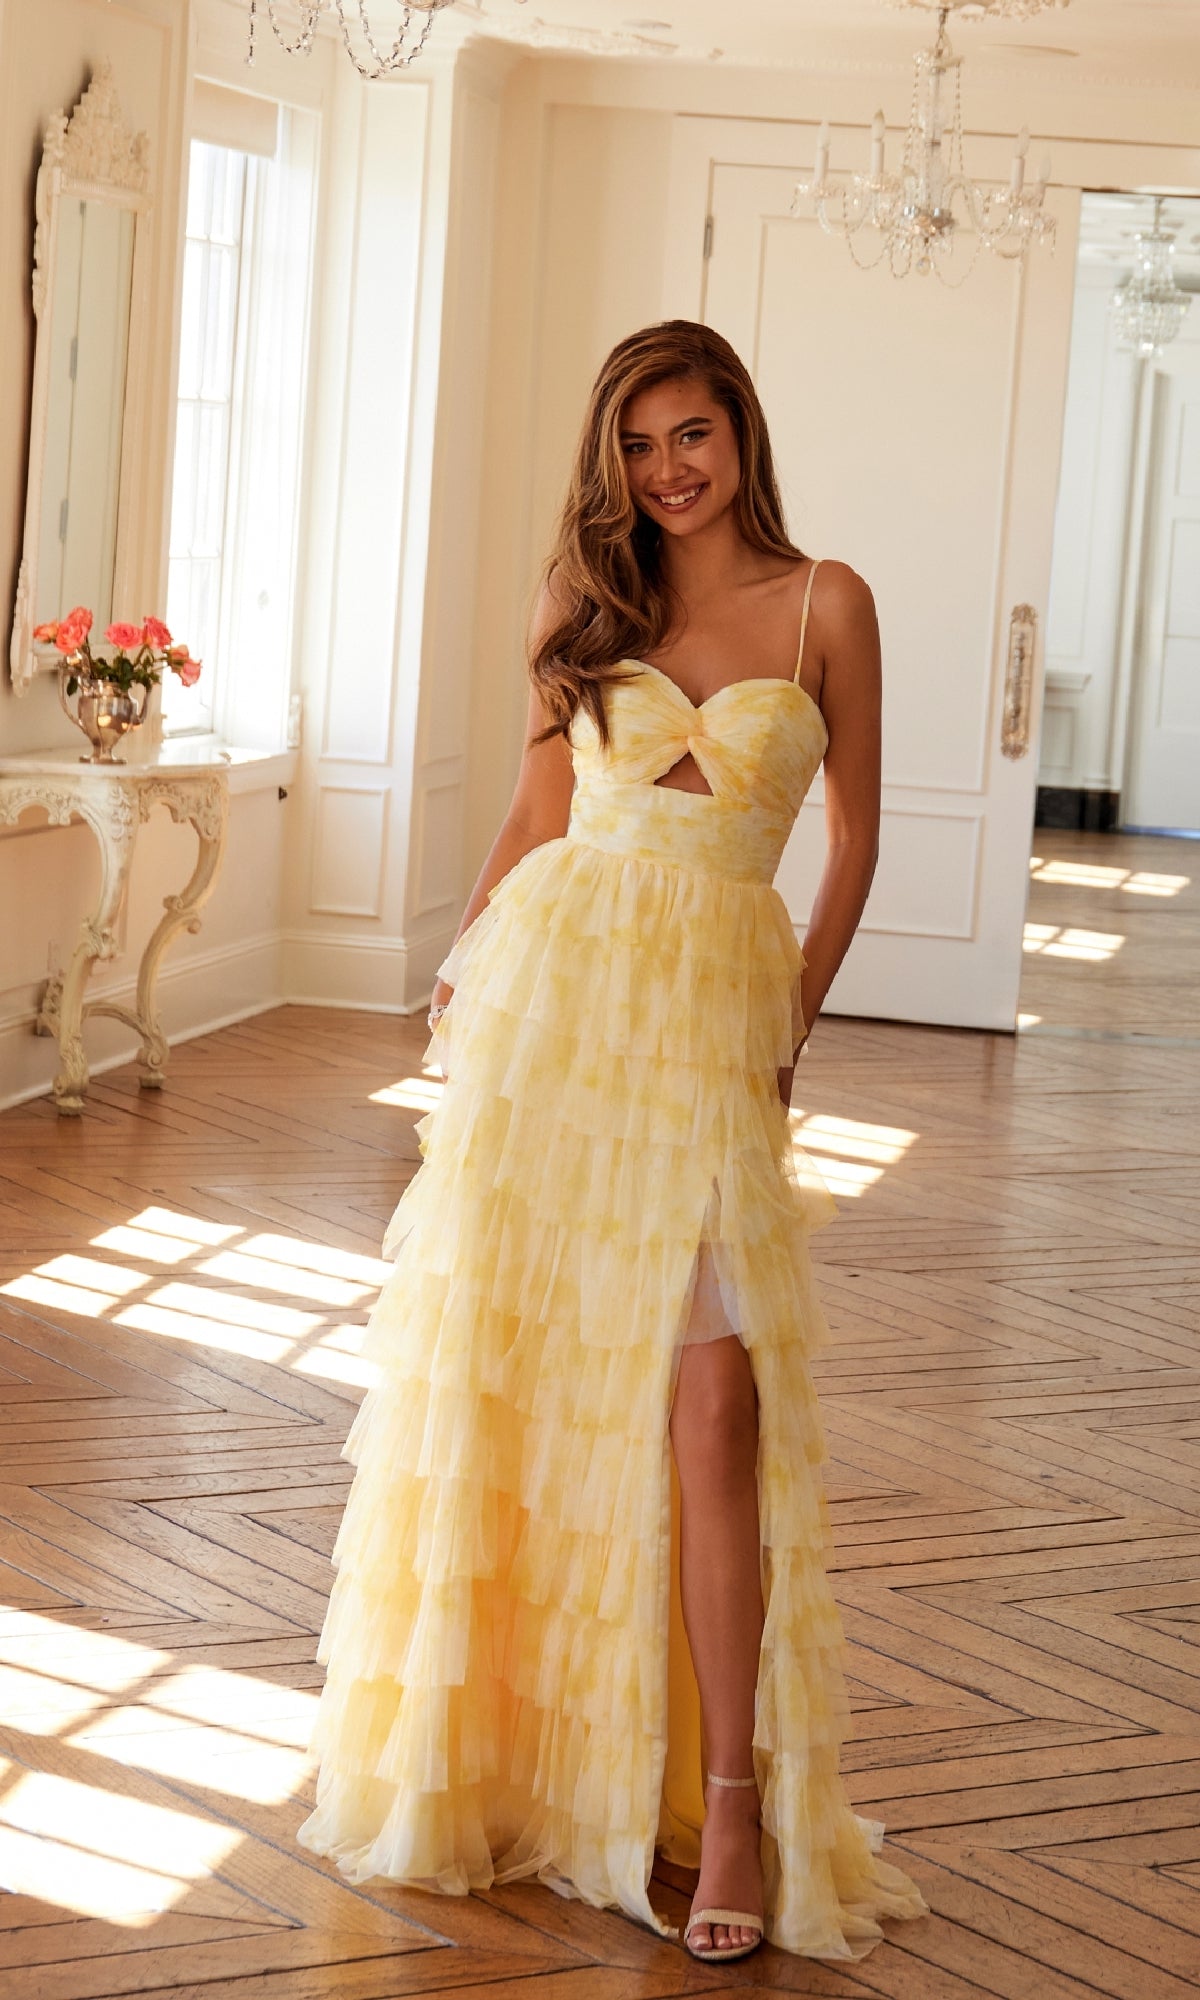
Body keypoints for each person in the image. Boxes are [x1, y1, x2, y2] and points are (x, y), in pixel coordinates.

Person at [297, 319, 928, 1963]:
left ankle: (727, 1797)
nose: (669, 468)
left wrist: (793, 1018)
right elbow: (534, 815)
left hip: (716, 1015)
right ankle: (509, 1750)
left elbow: (854, 839)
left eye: (694, 434)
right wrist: (459, 974)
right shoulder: (587, 604)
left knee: (710, 1402)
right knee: (534, 1378)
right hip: (554, 1016)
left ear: (741, 432)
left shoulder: (828, 603)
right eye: (642, 444)